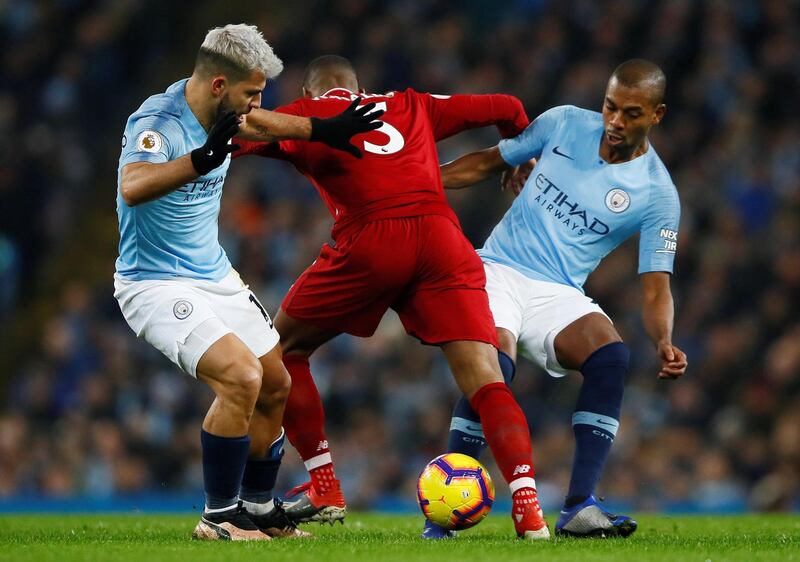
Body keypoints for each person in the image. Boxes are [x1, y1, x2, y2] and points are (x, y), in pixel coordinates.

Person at [235, 55, 551, 540]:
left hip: (373, 240)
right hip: (443, 240)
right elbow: (506, 106)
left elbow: (233, 137)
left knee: (284, 349)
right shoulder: (411, 104)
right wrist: (523, 155)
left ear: (311, 90)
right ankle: (529, 511)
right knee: (486, 380)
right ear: (358, 85)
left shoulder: (303, 114)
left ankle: (324, 486)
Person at [113, 25, 381, 541]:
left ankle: (257, 508)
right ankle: (217, 518)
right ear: (219, 86)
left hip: (213, 273)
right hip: (155, 284)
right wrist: (200, 160)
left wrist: (324, 131)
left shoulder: (227, 112)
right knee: (240, 378)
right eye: (251, 92)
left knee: (276, 382)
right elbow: (133, 186)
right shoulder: (159, 121)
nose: (257, 103)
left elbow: (263, 124)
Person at [430, 59, 689, 538]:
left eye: (632, 113)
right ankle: (443, 516)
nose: (615, 121)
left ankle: (578, 507)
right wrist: (419, 179)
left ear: (658, 114)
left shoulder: (657, 194)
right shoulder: (565, 122)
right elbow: (491, 162)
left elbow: (656, 286)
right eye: (610, 106)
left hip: (560, 290)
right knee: (494, 365)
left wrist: (665, 339)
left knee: (611, 357)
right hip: (499, 269)